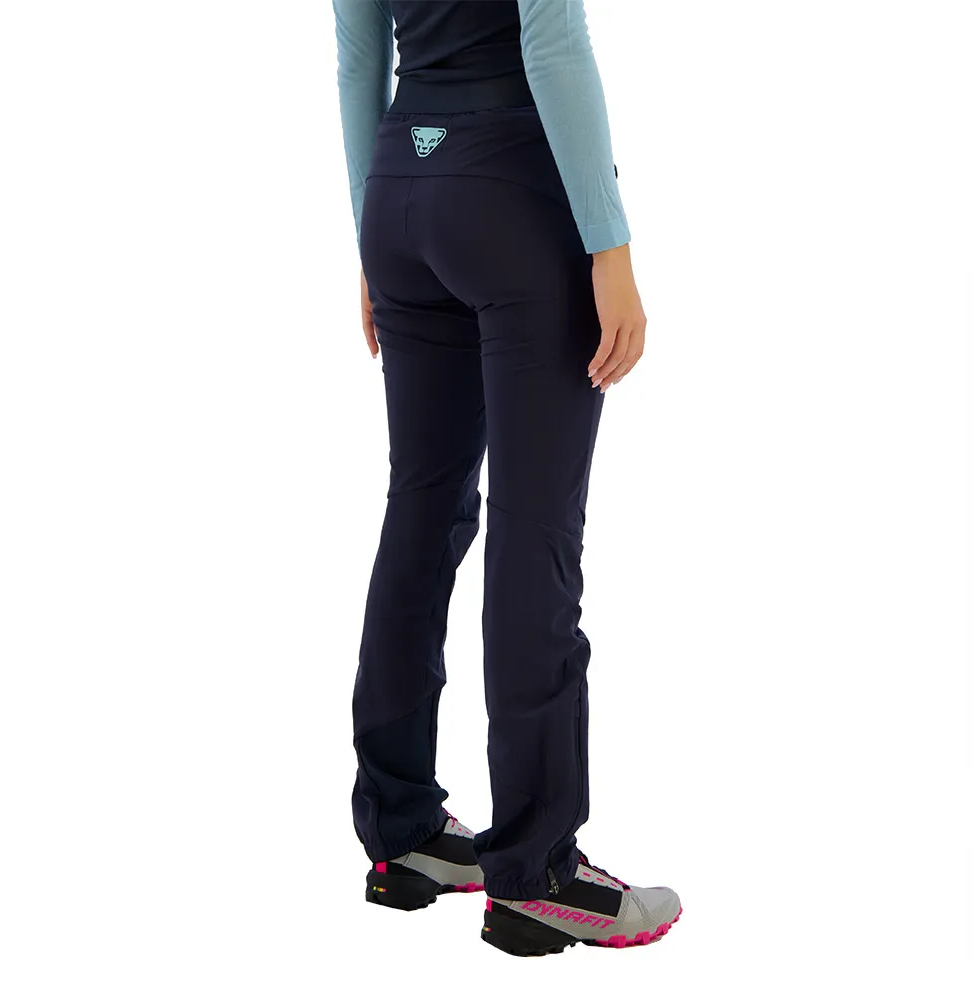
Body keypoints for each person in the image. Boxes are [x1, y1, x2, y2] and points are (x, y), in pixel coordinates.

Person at [333, 0, 680, 956]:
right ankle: (536, 872)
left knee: (421, 509)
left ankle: (402, 830)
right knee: (535, 532)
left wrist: (370, 229)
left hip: (401, 187)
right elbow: (552, 37)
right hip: (511, 189)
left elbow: (359, 56)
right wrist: (609, 243)